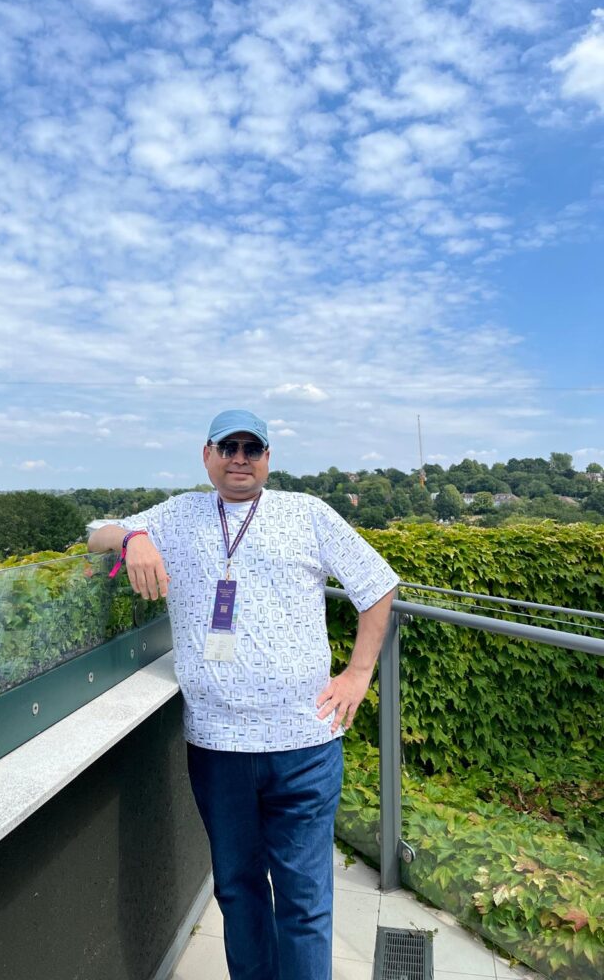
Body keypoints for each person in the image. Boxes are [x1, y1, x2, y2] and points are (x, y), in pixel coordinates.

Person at [87, 409, 398, 980]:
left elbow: (377, 585)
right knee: (237, 891)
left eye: (252, 448)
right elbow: (94, 532)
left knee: (304, 906)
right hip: (217, 747)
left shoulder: (307, 514)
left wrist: (358, 674)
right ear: (206, 455)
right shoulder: (177, 516)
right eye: (227, 446)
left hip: (304, 744)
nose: (239, 458)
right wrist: (133, 537)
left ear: (268, 459)